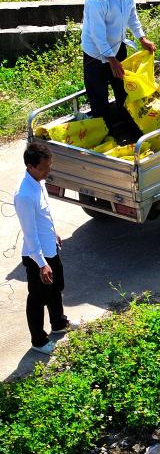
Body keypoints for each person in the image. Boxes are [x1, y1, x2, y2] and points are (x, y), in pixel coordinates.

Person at [81, 0, 156, 141]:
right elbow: (97, 34)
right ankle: (106, 136)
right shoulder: (98, 0)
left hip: (117, 47)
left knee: (123, 91)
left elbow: (131, 15)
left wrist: (142, 37)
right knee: (99, 97)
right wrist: (110, 60)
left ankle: (130, 129)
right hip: (97, 55)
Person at [14, 142, 75, 355]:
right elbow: (30, 235)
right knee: (37, 299)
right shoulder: (24, 195)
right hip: (36, 256)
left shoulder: (39, 182)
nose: (47, 172)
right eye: (43, 168)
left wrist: (54, 232)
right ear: (30, 166)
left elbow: (44, 215)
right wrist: (42, 265)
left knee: (56, 288)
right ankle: (38, 341)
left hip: (50, 247)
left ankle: (58, 324)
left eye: (49, 167)